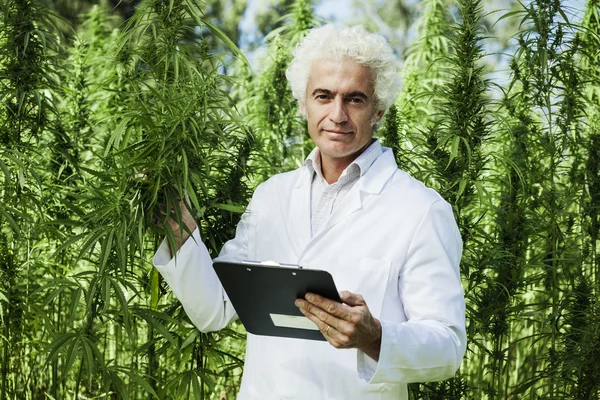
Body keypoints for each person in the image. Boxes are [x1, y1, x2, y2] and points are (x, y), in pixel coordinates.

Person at [153, 24, 466, 399]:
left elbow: (448, 348)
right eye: (323, 96)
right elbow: (214, 309)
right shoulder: (272, 196)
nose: (337, 114)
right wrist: (177, 224)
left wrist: (375, 336)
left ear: (378, 110)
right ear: (304, 103)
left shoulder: (420, 209)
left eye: (355, 99)